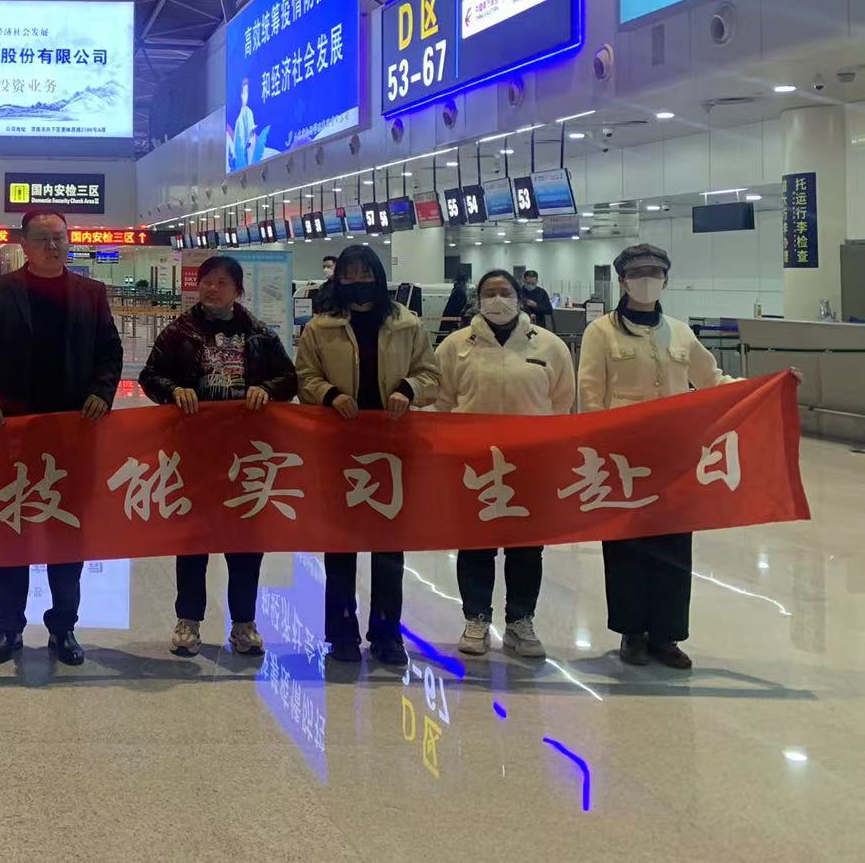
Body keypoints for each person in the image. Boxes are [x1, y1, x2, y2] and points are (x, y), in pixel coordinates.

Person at [0, 209, 123, 666]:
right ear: (24, 244)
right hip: (11, 434)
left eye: (59, 238)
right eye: (42, 238)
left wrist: (101, 392)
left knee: (66, 532)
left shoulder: (91, 293)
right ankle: (8, 627)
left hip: (72, 433)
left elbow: (109, 352)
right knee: (9, 530)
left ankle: (64, 627)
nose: (53, 246)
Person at [138, 255, 298, 657]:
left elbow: (288, 378)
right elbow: (150, 376)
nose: (211, 288)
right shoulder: (179, 332)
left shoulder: (259, 334)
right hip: (194, 451)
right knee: (193, 539)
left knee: (245, 540)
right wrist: (174, 391)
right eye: (206, 281)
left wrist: (267, 390)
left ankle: (244, 624)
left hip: (246, 454)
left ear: (238, 290)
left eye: (221, 282)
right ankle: (188, 621)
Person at [578, 244, 727, 670]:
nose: (647, 279)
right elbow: (590, 394)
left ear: (666, 279)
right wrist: (599, 449)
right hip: (623, 458)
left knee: (674, 545)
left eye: (655, 272)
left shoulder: (680, 332)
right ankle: (632, 632)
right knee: (626, 546)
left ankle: (667, 634)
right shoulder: (600, 332)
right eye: (638, 272)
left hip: (674, 457)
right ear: (622, 281)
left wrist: (771, 386)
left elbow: (713, 381)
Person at [294, 242, 439, 667]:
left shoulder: (407, 325)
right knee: (340, 544)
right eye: (349, 274)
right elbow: (305, 378)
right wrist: (330, 394)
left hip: (392, 450)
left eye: (365, 273)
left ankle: (386, 633)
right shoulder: (320, 328)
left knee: (389, 546)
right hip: (340, 449)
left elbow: (430, 375)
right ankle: (341, 631)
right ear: (338, 278)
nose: (357, 281)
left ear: (378, 275)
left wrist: (408, 389)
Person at [434, 270, 575, 659]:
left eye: (505, 292)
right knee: (475, 545)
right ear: (478, 299)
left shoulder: (549, 346)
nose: (498, 299)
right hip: (474, 464)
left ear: (519, 297)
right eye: (490, 293)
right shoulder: (455, 346)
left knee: (526, 548)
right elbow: (441, 402)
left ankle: (520, 621)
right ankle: (476, 619)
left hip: (529, 463)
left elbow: (562, 402)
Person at [229, 76, 258, 171]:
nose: (246, 96)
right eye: (244, 93)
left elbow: (251, 134)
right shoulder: (239, 117)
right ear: (241, 95)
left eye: (247, 93)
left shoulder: (249, 112)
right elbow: (238, 140)